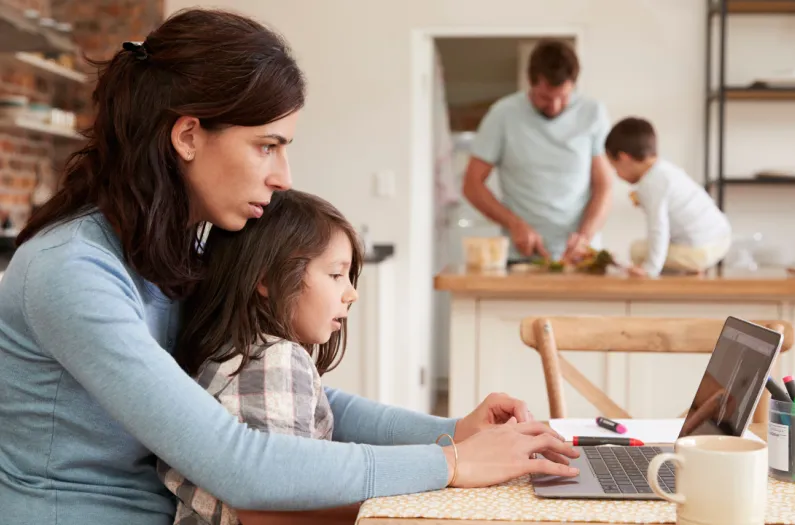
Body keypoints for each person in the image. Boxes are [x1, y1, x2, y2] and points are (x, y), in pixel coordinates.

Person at [0, 8, 579, 525]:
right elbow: (237, 462)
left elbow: (302, 397)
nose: (284, 176)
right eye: (267, 145)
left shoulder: (178, 251)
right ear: (187, 136)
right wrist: (450, 462)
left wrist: (451, 432)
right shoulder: (72, 272)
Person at [159, 190, 361, 525]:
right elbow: (272, 508)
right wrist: (381, 508)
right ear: (266, 278)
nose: (351, 293)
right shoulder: (276, 360)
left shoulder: (231, 353)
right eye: (336, 274)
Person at [462, 39, 613, 263]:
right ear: (530, 84)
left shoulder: (593, 113)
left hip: (580, 257)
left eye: (563, 97)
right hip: (520, 256)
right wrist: (514, 224)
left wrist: (585, 235)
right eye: (545, 98)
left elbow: (604, 185)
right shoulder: (502, 115)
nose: (554, 107)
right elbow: (472, 185)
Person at [604, 117, 732, 277]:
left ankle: (669, 274)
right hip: (720, 238)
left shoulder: (651, 184)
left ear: (624, 158)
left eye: (615, 168)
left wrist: (650, 269)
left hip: (701, 250)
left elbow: (658, 228)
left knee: (637, 250)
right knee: (660, 247)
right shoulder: (665, 171)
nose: (618, 175)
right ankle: (690, 268)